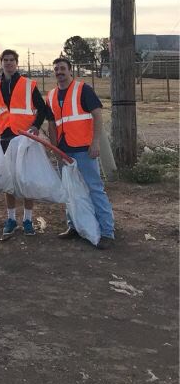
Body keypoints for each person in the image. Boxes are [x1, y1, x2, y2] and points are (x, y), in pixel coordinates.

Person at [47, 56, 114, 249]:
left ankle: (107, 231)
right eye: (56, 69)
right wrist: (55, 149)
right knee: (69, 190)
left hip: (84, 150)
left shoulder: (83, 89)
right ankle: (74, 226)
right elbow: (52, 125)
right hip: (64, 150)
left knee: (94, 189)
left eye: (62, 68)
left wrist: (95, 142)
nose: (59, 72)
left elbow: (97, 115)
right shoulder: (51, 95)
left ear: (70, 70)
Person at [0, 49, 48, 239]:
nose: (8, 63)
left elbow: (42, 109)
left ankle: (28, 220)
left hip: (26, 139)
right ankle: (11, 219)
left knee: (27, 179)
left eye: (12, 60)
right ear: (1, 63)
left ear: (16, 63)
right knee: (9, 181)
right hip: (6, 139)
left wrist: (35, 126)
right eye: (5, 60)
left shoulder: (28, 85)